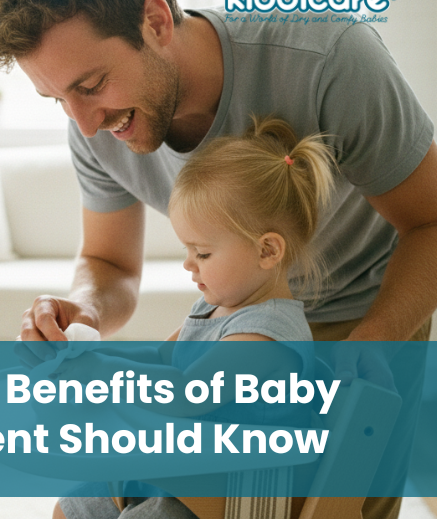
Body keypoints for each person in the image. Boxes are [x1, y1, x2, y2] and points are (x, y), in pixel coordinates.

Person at [0, 0, 437, 518]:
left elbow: (432, 220)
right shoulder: (91, 127)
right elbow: (111, 266)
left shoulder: (328, 59)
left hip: (366, 315)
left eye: (92, 84)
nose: (84, 123)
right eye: (57, 100)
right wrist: (84, 314)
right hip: (230, 321)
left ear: (155, 22)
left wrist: (376, 340)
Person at [55, 116, 334, 519]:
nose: (189, 264)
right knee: (74, 506)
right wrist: (93, 360)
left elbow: (185, 395)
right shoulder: (213, 307)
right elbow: (158, 361)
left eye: (202, 253)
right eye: (187, 250)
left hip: (225, 496)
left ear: (267, 251)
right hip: (178, 470)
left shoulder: (266, 338)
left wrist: (101, 375)